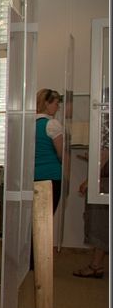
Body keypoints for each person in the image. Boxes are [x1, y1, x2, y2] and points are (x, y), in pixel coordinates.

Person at [73, 138, 108, 279]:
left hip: (104, 183)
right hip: (104, 180)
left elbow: (105, 154)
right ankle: (96, 265)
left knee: (100, 224)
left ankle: (96, 266)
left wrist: (89, 181)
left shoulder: (107, 129)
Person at [34, 88, 65, 212]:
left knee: (36, 216)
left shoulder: (30, 124)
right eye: (56, 104)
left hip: (33, 175)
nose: (58, 107)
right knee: (46, 216)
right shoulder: (52, 124)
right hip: (51, 176)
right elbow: (61, 154)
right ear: (47, 104)